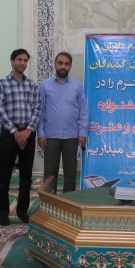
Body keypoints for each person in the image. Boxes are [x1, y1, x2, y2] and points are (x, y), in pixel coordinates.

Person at [0, 49, 41, 225]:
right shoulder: (2, 84)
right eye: (19, 59)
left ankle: (22, 211)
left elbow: (37, 108)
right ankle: (3, 213)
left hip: (28, 133)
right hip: (9, 134)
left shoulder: (32, 85)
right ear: (12, 61)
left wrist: (28, 130)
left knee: (26, 175)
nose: (22, 63)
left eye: (25, 60)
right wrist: (15, 132)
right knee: (4, 174)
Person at [38, 52, 88, 194]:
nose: (63, 66)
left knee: (70, 175)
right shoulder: (45, 85)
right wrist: (40, 133)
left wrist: (83, 132)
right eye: (60, 63)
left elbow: (83, 111)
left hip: (72, 137)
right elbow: (40, 111)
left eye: (66, 64)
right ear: (55, 64)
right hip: (50, 137)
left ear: (70, 66)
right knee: (50, 175)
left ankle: (68, 203)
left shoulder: (78, 86)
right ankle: (49, 204)